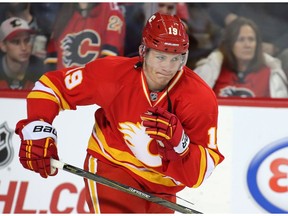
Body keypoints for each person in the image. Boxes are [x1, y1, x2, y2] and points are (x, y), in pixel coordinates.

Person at [15, 12, 224, 213]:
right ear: (144, 52)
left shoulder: (199, 98)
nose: (168, 67)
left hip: (162, 187)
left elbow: (197, 176)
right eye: (160, 57)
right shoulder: (112, 75)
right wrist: (38, 127)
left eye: (176, 58)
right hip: (113, 168)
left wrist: (182, 144)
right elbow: (51, 86)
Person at [194, 17, 288, 98]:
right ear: (230, 44)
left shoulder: (270, 74)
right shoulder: (212, 71)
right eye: (241, 39)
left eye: (251, 39)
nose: (247, 45)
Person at [45, 3, 126, 70]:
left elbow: (109, 61)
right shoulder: (62, 13)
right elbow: (51, 63)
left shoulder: (111, 11)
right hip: (64, 85)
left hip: (96, 85)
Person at [0, 17, 46, 90]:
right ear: (3, 46)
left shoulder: (42, 70)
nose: (24, 48)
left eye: (27, 40)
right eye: (16, 42)